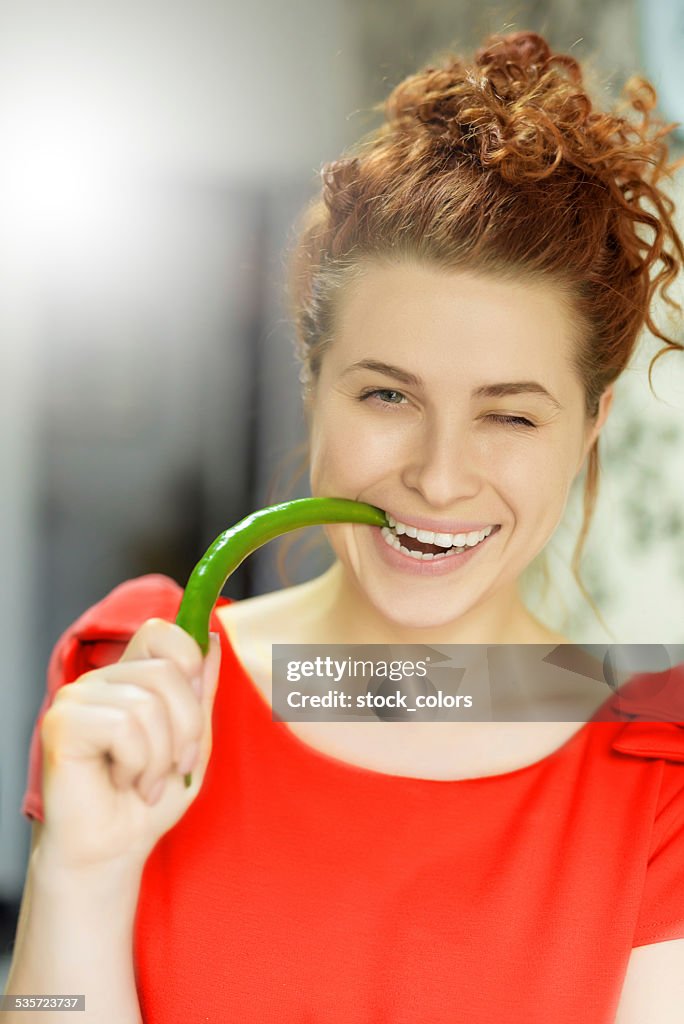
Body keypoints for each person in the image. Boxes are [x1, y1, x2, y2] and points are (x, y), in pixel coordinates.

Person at [5, 28, 684, 1024]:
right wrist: (79, 874)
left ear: (590, 427)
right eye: (387, 396)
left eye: (509, 413)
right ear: (312, 379)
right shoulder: (136, 682)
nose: (440, 478)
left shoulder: (653, 750)